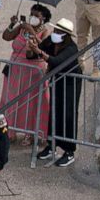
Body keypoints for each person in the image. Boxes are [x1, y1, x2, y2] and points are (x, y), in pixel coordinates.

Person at [0, 3, 53, 145]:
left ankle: (30, 134)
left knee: (31, 102)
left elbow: (46, 47)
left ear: (44, 19)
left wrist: (33, 32)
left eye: (37, 16)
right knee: (12, 99)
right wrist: (12, 25)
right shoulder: (22, 28)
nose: (33, 17)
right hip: (16, 69)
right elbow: (6, 36)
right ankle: (9, 131)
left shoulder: (46, 31)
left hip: (34, 71)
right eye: (32, 14)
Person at [32, 18, 81, 167]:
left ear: (66, 35)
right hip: (57, 81)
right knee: (54, 112)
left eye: (59, 32)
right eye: (55, 30)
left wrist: (39, 52)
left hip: (70, 85)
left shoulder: (71, 48)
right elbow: (36, 52)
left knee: (68, 115)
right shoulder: (51, 42)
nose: (56, 33)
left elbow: (57, 61)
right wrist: (33, 46)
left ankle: (69, 151)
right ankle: (51, 145)